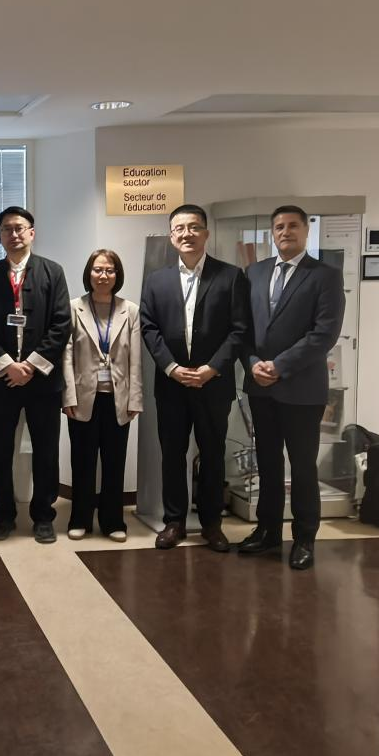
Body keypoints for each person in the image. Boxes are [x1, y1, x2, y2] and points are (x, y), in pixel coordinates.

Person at [239, 205, 345, 570]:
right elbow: (243, 328)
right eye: (279, 227)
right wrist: (253, 363)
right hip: (260, 387)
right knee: (267, 464)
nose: (286, 232)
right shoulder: (255, 272)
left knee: (302, 467)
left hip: (302, 389)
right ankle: (267, 531)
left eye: (293, 226)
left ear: (305, 230)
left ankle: (304, 539)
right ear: (272, 233)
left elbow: (324, 333)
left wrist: (280, 366)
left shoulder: (325, 276)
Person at [140, 203, 251, 551]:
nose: (186, 234)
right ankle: (174, 521)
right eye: (179, 228)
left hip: (212, 383)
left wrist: (212, 368)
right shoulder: (156, 280)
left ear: (206, 232)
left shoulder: (230, 276)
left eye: (193, 227)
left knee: (213, 454)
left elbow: (239, 329)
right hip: (171, 384)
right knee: (172, 455)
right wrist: (171, 368)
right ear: (171, 236)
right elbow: (149, 327)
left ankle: (212, 524)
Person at [0, 206, 72, 544]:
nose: (13, 234)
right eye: (7, 229)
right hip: (2, 380)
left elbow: (62, 324)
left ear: (32, 232)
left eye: (19, 228)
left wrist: (30, 366)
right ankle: (3, 515)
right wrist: (8, 365)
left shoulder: (52, 272)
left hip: (42, 381)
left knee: (46, 451)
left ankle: (43, 516)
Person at [63, 250, 142, 542]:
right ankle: (80, 519)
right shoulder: (74, 308)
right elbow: (66, 355)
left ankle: (113, 521)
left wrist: (135, 399)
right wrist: (68, 396)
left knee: (114, 462)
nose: (103, 275)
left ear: (117, 275)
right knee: (82, 461)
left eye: (109, 270)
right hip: (83, 397)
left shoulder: (130, 310)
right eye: (98, 270)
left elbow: (136, 359)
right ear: (89, 273)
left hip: (117, 398)